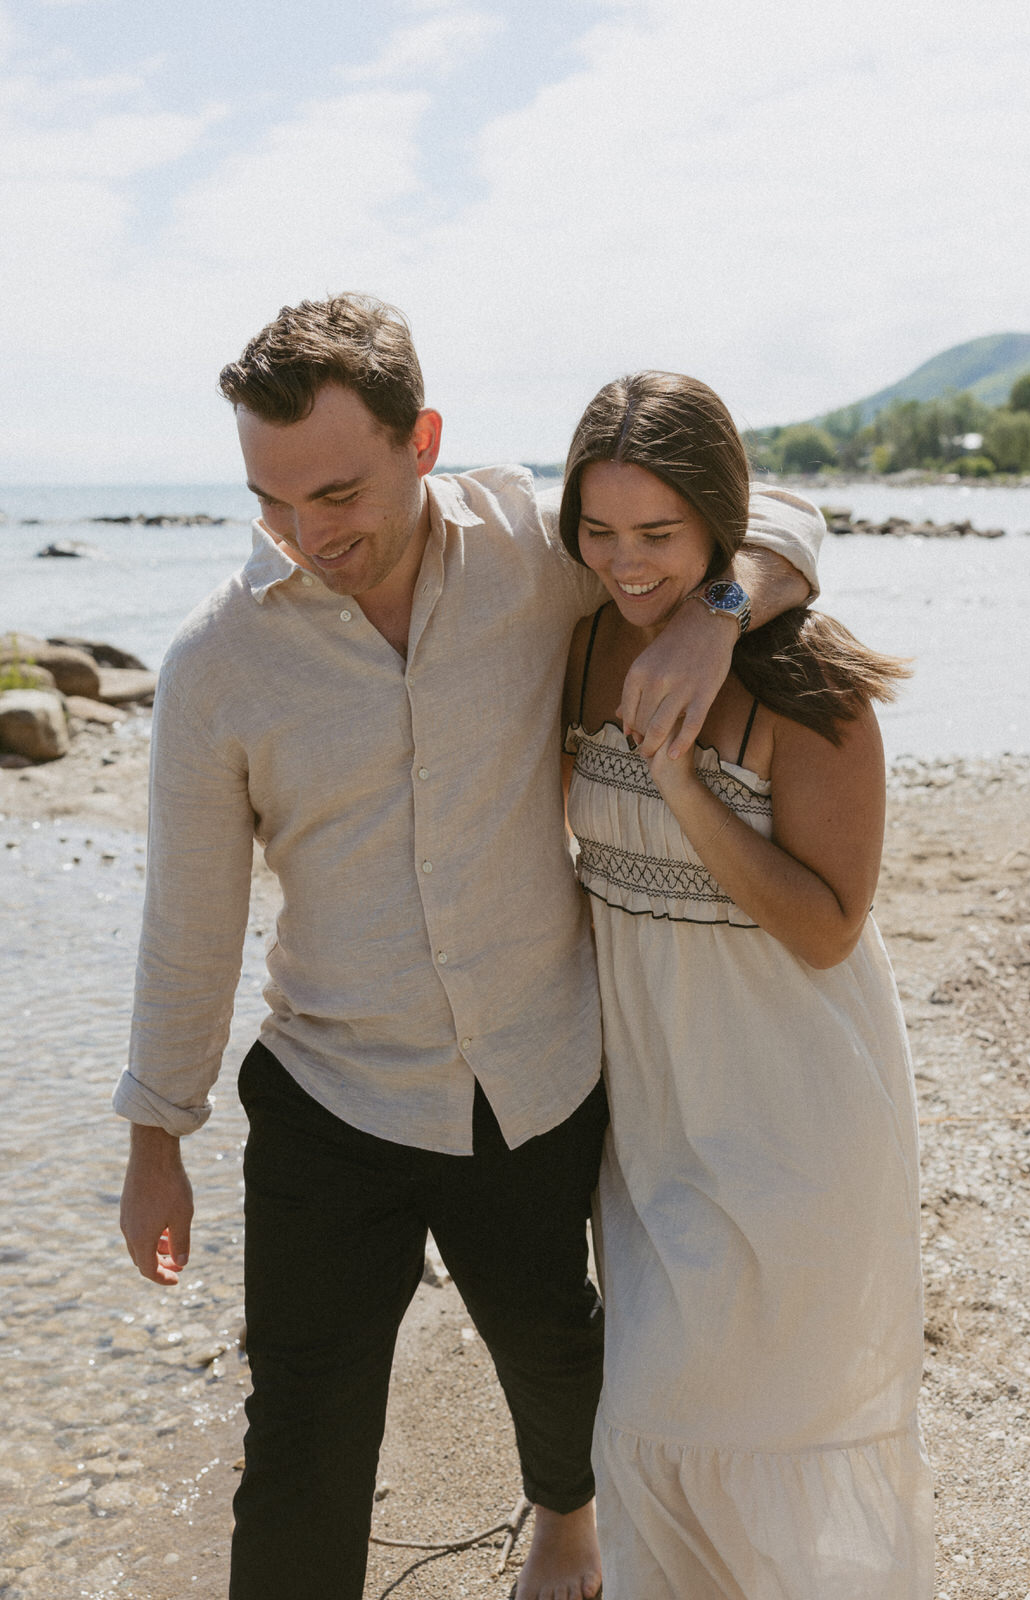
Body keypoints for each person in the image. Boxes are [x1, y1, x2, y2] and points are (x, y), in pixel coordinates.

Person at [113, 295, 822, 1600]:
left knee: (559, 1360)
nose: (307, 534)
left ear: (420, 438)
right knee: (301, 1451)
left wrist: (717, 611)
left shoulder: (528, 554)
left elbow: (771, 518)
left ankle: (565, 1521)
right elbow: (190, 919)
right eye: (271, 502)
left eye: (336, 491)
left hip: (531, 1079)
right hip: (330, 1100)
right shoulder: (217, 666)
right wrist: (157, 1135)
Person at [559, 371, 933, 1599]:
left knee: (766, 1439)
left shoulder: (807, 689)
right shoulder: (577, 634)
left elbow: (828, 929)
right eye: (598, 531)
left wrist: (677, 784)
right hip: (657, 1116)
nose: (624, 563)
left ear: (720, 521)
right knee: (647, 1425)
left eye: (658, 534)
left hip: (794, 1112)